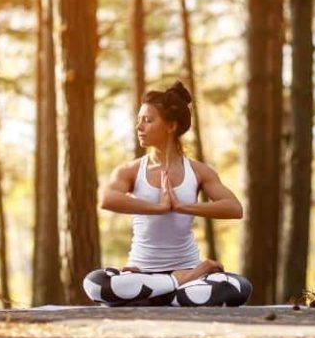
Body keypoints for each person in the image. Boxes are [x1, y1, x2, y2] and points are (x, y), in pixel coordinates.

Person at [83, 81, 252, 307]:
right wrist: (159, 208)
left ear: (171, 126)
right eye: (139, 120)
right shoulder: (131, 170)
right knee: (95, 283)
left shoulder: (198, 171)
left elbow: (234, 208)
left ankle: (155, 293)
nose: (139, 127)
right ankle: (174, 285)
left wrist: (181, 206)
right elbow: (107, 199)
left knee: (238, 286)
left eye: (148, 120)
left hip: (187, 270)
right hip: (142, 272)